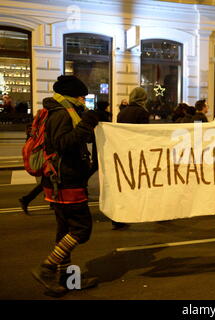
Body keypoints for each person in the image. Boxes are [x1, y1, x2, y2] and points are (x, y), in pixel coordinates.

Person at [31, 75, 100, 297]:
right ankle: (47, 267)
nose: (83, 100)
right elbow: (62, 143)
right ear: (71, 95)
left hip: (58, 181)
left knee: (65, 232)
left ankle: (69, 279)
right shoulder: (61, 114)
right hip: (66, 181)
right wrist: (87, 124)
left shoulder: (58, 111)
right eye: (81, 96)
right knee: (82, 229)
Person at [114, 87, 150, 230]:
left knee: (123, 184)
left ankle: (118, 217)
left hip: (123, 150)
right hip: (136, 151)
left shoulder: (122, 112)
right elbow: (144, 133)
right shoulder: (142, 112)